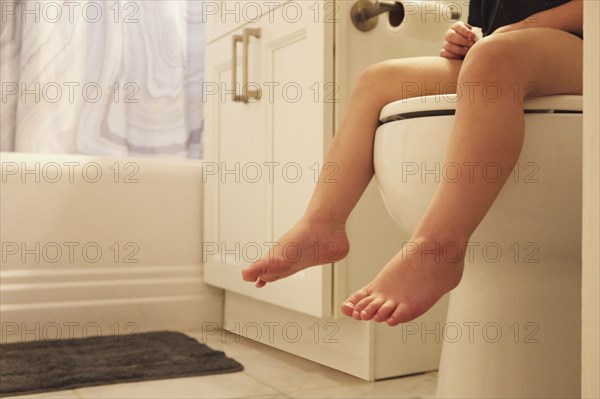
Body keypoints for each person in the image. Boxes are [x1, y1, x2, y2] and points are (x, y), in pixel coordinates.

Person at [241, 0, 584, 326]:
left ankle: (437, 247)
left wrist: (513, 31)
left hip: (585, 46)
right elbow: (494, 27)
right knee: (378, 80)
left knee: (495, 57)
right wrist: (467, 37)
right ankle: (321, 224)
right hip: (514, 54)